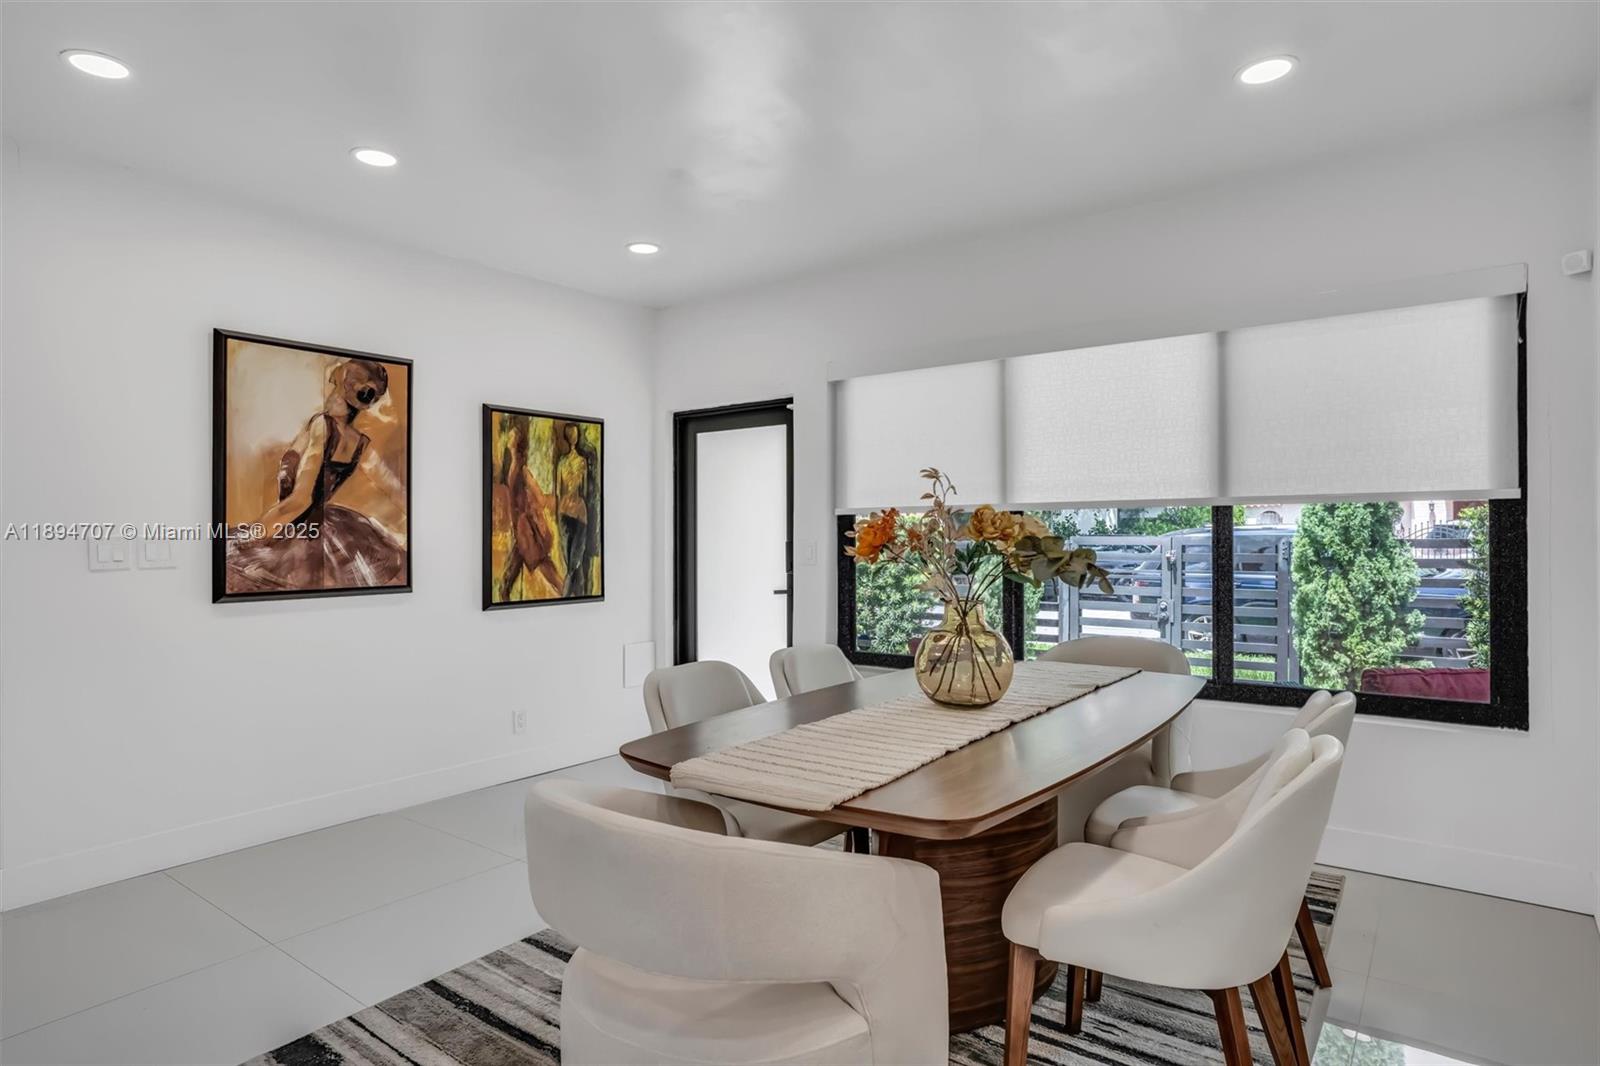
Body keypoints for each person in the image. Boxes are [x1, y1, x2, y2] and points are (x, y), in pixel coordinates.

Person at [226, 358, 407, 593]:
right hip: (324, 531)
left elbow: (302, 499)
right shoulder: (360, 443)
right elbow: (396, 491)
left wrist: (255, 533)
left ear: (340, 385)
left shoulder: (322, 425)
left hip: (294, 533)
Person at [497, 415, 560, 601]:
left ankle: (569, 595)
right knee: (506, 583)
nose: (509, 438)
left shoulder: (523, 470)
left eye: (512, 436)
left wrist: (535, 511)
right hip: (521, 533)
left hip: (529, 535)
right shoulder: (513, 466)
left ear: (517, 442)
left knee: (549, 574)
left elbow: (539, 497)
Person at [556, 421, 592, 597]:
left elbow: (558, 491)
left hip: (563, 512)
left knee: (572, 562)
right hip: (579, 511)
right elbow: (584, 491)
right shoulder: (583, 462)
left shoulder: (561, 463)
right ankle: (573, 598)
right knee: (574, 564)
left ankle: (568, 598)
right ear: (575, 438)